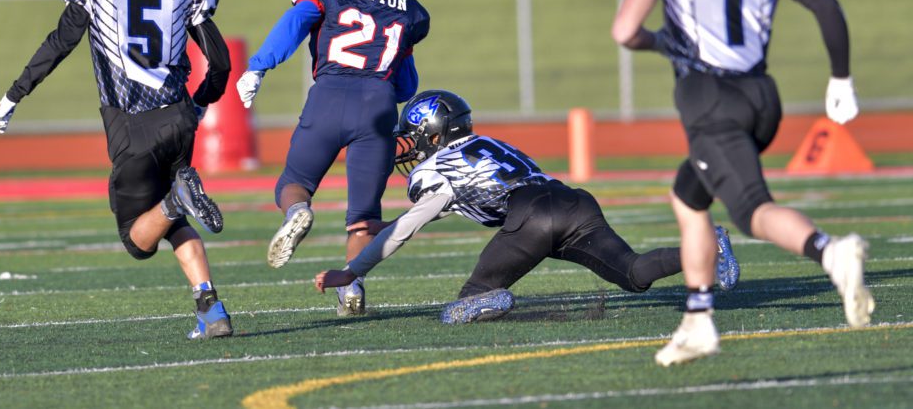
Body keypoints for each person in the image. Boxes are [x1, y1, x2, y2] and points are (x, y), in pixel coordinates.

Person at [612, 0, 874, 366]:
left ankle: (830, 251)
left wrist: (662, 42)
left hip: (709, 96)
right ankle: (698, 319)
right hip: (760, 95)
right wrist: (840, 79)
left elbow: (625, 30)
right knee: (689, 198)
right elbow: (826, 8)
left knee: (753, 209)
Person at [0, 0, 234, 340]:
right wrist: (198, 104)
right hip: (179, 118)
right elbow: (220, 64)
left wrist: (13, 95)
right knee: (171, 219)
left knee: (138, 238)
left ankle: (180, 198)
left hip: (131, 123)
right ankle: (211, 308)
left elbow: (60, 43)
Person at [314, 90, 740, 323]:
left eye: (415, 136)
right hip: (572, 202)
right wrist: (383, 224)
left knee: (460, 308)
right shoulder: (491, 144)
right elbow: (441, 208)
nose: (411, 146)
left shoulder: (436, 170)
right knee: (632, 273)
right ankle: (706, 246)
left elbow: (410, 225)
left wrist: (352, 271)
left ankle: (491, 299)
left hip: (532, 217)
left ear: (433, 133)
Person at [235, 0, 430, 316]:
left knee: (294, 183)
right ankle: (352, 288)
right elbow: (407, 86)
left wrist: (258, 65)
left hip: (327, 96)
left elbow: (295, 22)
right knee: (362, 216)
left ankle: (298, 212)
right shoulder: (408, 11)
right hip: (378, 106)